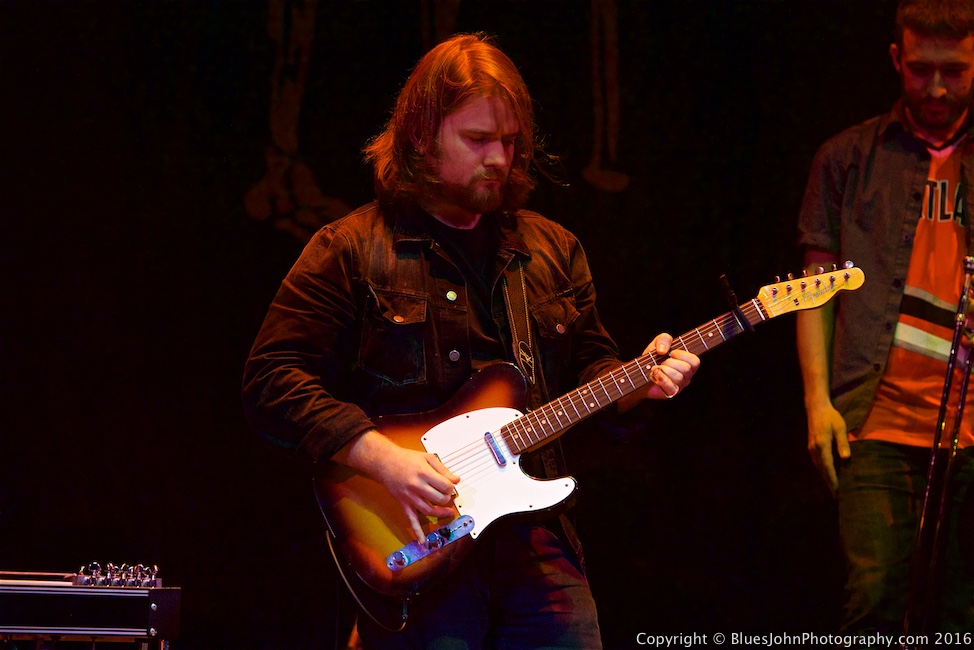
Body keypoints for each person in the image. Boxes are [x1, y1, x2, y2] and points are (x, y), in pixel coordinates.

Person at [242, 33, 699, 649]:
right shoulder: (349, 250)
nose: (499, 159)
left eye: (509, 141)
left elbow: (592, 368)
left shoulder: (552, 249)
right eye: (478, 139)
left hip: (536, 540)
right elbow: (271, 379)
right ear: (420, 138)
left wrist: (640, 382)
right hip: (419, 538)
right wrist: (381, 458)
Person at [797, 0, 974, 640]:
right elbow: (812, 293)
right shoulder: (846, 157)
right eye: (921, 69)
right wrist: (818, 403)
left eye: (955, 71)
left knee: (962, 613)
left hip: (970, 426)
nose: (936, 88)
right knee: (874, 606)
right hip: (874, 419)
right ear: (897, 59)